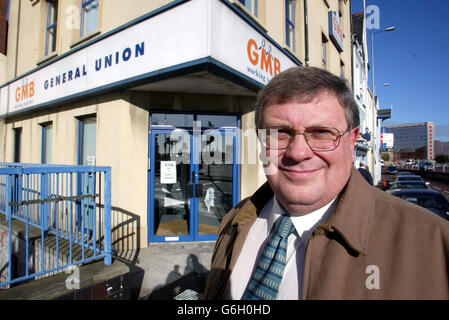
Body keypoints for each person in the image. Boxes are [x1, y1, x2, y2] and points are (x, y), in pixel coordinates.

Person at [203, 66, 449, 300]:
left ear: (352, 142)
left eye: (321, 133)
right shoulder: (235, 220)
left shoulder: (433, 246)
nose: (298, 152)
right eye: (279, 133)